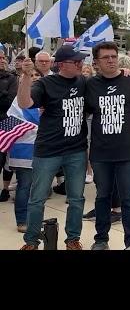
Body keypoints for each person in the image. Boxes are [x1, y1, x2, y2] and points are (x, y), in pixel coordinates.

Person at [17, 47, 90, 250]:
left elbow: (107, 85)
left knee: (76, 199)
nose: (80, 64)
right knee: (37, 198)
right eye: (76, 62)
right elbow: (25, 103)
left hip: (76, 150)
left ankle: (72, 239)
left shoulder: (83, 82)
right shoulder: (45, 83)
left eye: (81, 61)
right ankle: (31, 241)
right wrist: (25, 76)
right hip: (48, 150)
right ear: (62, 64)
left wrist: (126, 73)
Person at [84, 42, 130, 249]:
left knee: (129, 199)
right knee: (103, 197)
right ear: (96, 62)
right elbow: (81, 112)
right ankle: (101, 239)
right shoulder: (90, 85)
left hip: (129, 152)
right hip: (101, 153)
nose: (111, 60)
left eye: (114, 56)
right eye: (105, 57)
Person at [7, 67, 42, 233]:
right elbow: (14, 122)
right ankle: (22, 220)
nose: (34, 78)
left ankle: (34, 219)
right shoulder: (17, 100)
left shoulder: (44, 97)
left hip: (43, 149)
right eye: (30, 75)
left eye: (36, 75)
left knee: (38, 188)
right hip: (24, 149)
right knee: (24, 186)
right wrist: (40, 125)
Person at [0, 49, 18, 202]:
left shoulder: (12, 78)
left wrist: (4, 95)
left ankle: (5, 189)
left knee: (6, 158)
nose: (2, 60)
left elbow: (10, 100)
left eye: (3, 57)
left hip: (6, 121)